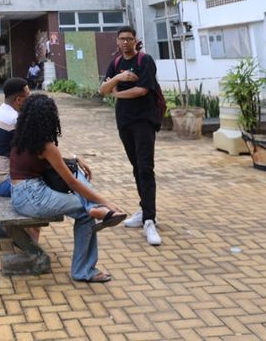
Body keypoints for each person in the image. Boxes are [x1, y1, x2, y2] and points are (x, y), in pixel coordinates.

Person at [9, 93, 126, 283]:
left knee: (75, 171)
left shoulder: (22, 135)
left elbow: (60, 168)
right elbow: (72, 183)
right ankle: (84, 270)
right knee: (85, 213)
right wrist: (105, 200)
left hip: (20, 193)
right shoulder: (46, 146)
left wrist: (74, 160)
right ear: (49, 118)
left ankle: (95, 209)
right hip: (33, 197)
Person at [99, 25, 163, 246]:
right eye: (122, 39)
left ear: (136, 41)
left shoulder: (145, 61)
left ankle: (150, 221)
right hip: (124, 123)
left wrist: (118, 92)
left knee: (146, 168)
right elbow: (102, 90)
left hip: (144, 121)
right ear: (117, 41)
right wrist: (119, 78)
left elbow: (142, 90)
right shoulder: (116, 64)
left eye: (129, 39)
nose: (125, 42)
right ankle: (145, 210)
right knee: (136, 167)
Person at [0, 77, 31, 197]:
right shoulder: (13, 119)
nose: (31, 99)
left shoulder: (3, 110)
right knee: (51, 180)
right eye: (28, 96)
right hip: (3, 184)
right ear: (19, 99)